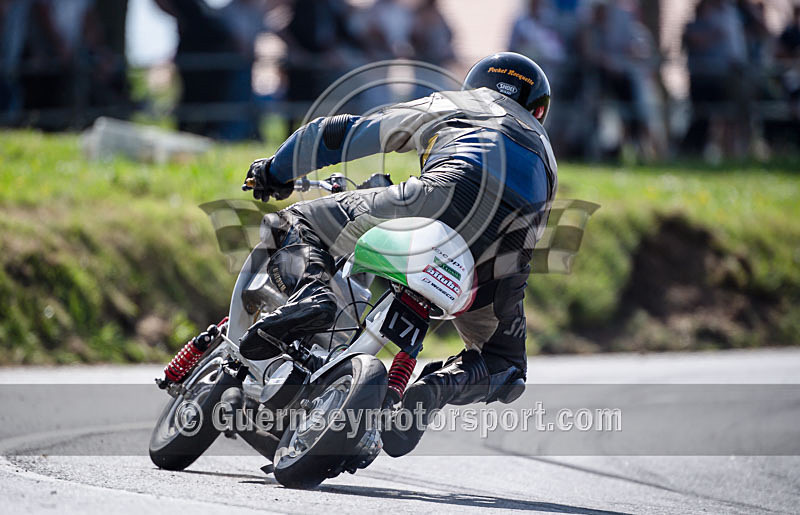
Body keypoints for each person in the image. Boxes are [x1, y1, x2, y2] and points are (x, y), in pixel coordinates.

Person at [238, 52, 557, 456]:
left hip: (445, 192)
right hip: (508, 247)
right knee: (505, 366)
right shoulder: (548, 158)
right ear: (539, 110)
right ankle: (433, 390)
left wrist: (275, 170)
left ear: (476, 85)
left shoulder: (461, 102)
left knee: (294, 222)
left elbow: (343, 133)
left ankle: (314, 295)